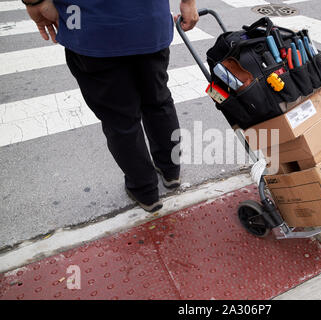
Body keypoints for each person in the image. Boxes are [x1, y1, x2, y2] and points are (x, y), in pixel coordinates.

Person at [23, 0, 199, 213]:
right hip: (150, 21)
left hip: (91, 25)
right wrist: (188, 2)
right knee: (158, 100)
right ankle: (171, 170)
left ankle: (145, 191)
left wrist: (34, 2)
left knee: (120, 119)